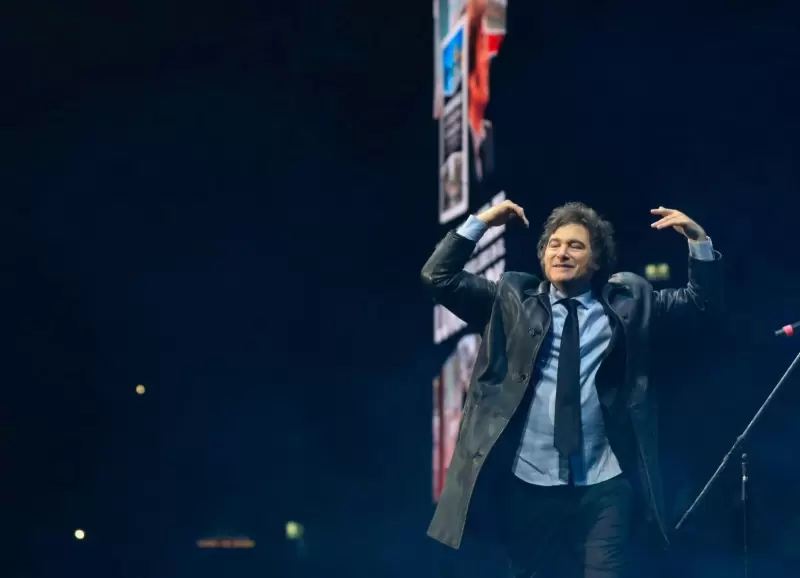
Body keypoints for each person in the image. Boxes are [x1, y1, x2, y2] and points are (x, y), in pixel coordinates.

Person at [421, 200, 723, 577]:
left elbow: (701, 304)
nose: (562, 252)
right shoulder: (511, 299)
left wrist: (699, 240)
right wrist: (481, 221)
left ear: (596, 260)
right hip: (530, 483)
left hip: (605, 484)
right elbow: (438, 277)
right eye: (554, 244)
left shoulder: (628, 304)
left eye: (575, 246)